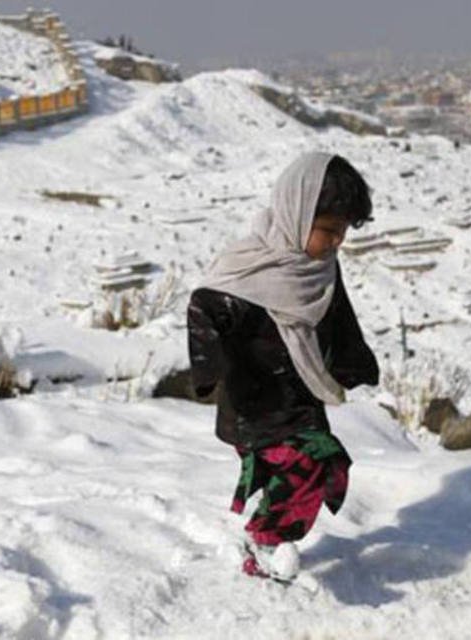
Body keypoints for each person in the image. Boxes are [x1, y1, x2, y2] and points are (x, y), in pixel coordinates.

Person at [186, 152, 379, 581]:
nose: (336, 242)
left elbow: (339, 316)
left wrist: (354, 362)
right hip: (254, 401)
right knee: (313, 462)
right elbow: (206, 305)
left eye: (342, 231)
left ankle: (262, 541)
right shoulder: (249, 268)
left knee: (307, 471)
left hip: (300, 399)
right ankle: (265, 540)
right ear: (296, 212)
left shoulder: (321, 270)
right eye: (328, 229)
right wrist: (209, 367)